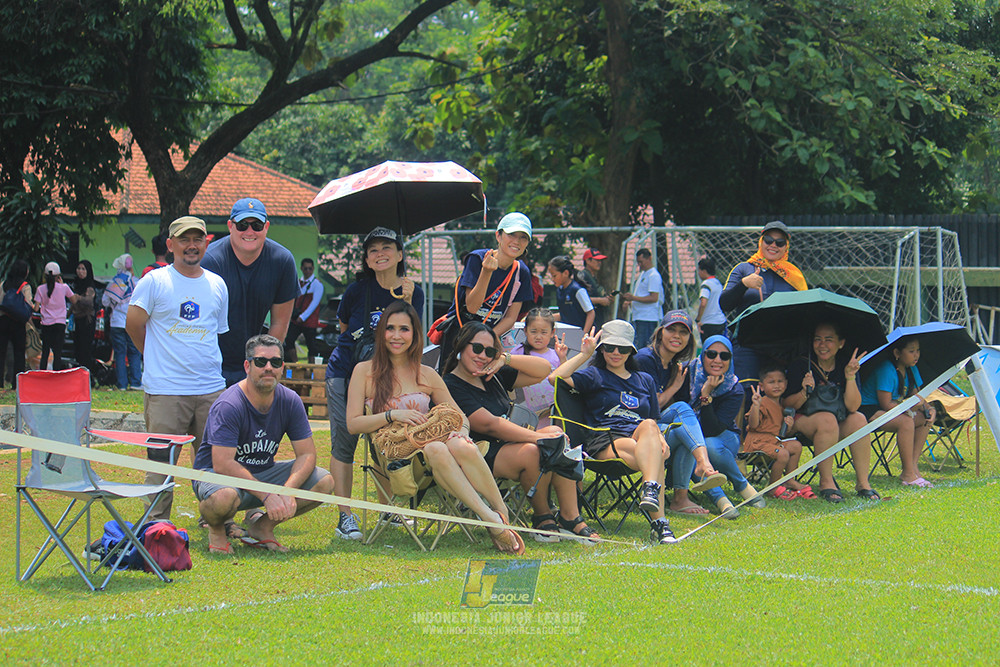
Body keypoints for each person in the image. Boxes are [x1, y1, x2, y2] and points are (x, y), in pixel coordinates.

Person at [346, 301, 524, 555]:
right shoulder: (364, 372)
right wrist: (391, 414)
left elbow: (460, 417)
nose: (397, 336)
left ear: (415, 335)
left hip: (434, 451)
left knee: (451, 444)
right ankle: (492, 519)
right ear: (381, 332)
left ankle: (499, 515)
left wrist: (460, 432)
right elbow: (353, 424)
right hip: (398, 458)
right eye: (391, 328)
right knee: (438, 448)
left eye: (404, 329)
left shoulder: (427, 373)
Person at [444, 320, 597, 543]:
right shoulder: (450, 384)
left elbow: (544, 370)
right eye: (476, 348)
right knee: (537, 448)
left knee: (555, 431)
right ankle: (542, 516)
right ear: (460, 346)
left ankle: (570, 516)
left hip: (509, 444)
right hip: (476, 452)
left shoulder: (493, 375)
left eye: (489, 351)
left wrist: (504, 359)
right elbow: (489, 424)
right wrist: (539, 436)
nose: (482, 356)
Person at [127, 216, 229, 522]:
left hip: (210, 389)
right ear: (170, 245)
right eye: (184, 239)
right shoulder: (154, 282)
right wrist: (154, 355)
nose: (191, 246)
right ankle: (156, 528)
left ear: (206, 243)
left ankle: (220, 520)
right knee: (161, 465)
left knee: (216, 463)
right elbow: (133, 325)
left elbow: (216, 331)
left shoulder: (217, 284)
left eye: (198, 239)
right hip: (165, 391)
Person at [194, 334, 334, 554]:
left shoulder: (290, 400)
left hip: (262, 472)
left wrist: (287, 491)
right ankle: (216, 528)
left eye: (275, 362)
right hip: (219, 477)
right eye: (261, 362)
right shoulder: (229, 405)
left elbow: (307, 455)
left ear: (282, 367)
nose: (268, 367)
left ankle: (262, 527)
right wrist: (267, 495)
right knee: (224, 497)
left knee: (324, 481)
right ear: (247, 366)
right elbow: (221, 464)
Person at [326, 227, 423, 541]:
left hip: (388, 375)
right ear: (366, 259)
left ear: (399, 254)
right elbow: (345, 328)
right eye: (372, 250)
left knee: (384, 439)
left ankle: (389, 509)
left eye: (387, 248)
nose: (380, 254)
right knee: (345, 441)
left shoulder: (413, 291)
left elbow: (413, 336)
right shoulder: (357, 290)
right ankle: (346, 516)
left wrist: (407, 301)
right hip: (346, 371)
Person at [548, 320, 678, 545]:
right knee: (654, 456)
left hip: (641, 437)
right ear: (601, 349)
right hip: (606, 440)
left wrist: (658, 437)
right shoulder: (595, 375)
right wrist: (584, 355)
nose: (616, 352)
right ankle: (660, 522)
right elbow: (555, 378)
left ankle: (650, 490)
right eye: (609, 347)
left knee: (648, 426)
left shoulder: (645, 380)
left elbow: (653, 420)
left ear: (631, 351)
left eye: (623, 348)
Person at [635, 310, 725, 515]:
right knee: (682, 410)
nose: (677, 336)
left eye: (683, 333)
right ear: (660, 333)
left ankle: (680, 500)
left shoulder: (675, 365)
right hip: (639, 429)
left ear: (689, 339)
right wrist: (675, 387)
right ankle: (703, 464)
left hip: (659, 427)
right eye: (671, 330)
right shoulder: (645, 358)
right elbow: (651, 407)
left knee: (684, 431)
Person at [202, 197, 298, 386]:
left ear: (267, 227)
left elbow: (280, 323)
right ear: (230, 226)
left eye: (257, 225)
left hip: (254, 365)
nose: (249, 231)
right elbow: (201, 323)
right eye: (242, 225)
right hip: (211, 365)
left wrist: (262, 365)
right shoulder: (210, 261)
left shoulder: (282, 261)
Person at [783, 323, 881, 503]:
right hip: (802, 420)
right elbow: (787, 404)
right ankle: (826, 481)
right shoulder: (801, 364)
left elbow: (853, 407)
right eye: (817, 340)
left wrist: (850, 376)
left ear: (841, 343)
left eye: (829, 340)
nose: (822, 345)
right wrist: (804, 391)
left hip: (837, 420)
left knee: (859, 419)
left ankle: (862, 483)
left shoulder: (846, 364)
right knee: (827, 420)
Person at [436, 212, 535, 369]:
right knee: (449, 384)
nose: (517, 241)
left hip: (489, 340)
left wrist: (490, 338)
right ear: (498, 236)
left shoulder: (521, 271)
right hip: (460, 334)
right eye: (511, 234)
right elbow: (472, 307)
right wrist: (486, 272)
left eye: (523, 237)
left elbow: (510, 317)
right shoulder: (477, 258)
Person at [680, 335, 764, 518]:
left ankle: (741, 484)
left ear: (730, 359)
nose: (717, 360)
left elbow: (713, 429)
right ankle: (721, 500)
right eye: (711, 354)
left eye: (724, 356)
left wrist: (705, 395)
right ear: (703, 356)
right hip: (691, 438)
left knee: (707, 446)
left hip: (724, 438)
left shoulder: (734, 388)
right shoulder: (689, 373)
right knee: (694, 450)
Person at [719, 221, 807, 383]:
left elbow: (804, 314)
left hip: (781, 348)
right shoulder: (744, 269)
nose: (773, 245)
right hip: (746, 344)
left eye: (780, 242)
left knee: (776, 397)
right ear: (761, 242)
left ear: (786, 247)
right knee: (747, 393)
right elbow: (724, 304)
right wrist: (744, 284)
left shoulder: (794, 276)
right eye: (768, 240)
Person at [859, 336, 936, 488]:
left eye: (918, 351)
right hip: (870, 409)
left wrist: (929, 408)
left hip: (895, 408)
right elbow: (886, 403)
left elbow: (917, 395)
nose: (916, 355)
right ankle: (907, 474)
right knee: (906, 422)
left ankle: (913, 466)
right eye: (911, 351)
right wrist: (909, 407)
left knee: (925, 418)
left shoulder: (912, 369)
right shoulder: (886, 369)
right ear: (897, 353)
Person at [743, 364, 814, 499]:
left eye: (780, 381)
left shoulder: (781, 405)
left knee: (796, 446)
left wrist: (789, 426)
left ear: (786, 384)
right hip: (757, 442)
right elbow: (753, 425)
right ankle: (773, 487)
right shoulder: (762, 402)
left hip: (773, 441)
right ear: (762, 386)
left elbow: (782, 435)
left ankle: (789, 479)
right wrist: (755, 407)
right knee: (783, 454)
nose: (776, 385)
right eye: (771, 382)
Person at [510, 307, 568, 428]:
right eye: (533, 331)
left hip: (554, 407)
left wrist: (562, 358)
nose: (538, 336)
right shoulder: (518, 352)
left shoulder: (556, 355)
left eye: (543, 332)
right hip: (530, 408)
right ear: (525, 331)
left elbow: (565, 379)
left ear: (552, 333)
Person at [102, 254, 141, 389]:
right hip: (132, 322)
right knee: (134, 352)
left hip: (117, 322)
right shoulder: (136, 282)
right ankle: (136, 382)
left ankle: (122, 384)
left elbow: (105, 301)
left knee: (119, 353)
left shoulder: (115, 283)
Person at [35, 261, 79, 372]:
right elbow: (74, 300)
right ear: (58, 276)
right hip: (60, 323)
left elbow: (36, 308)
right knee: (58, 352)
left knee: (45, 352)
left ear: (45, 275)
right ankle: (56, 375)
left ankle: (42, 374)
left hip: (46, 324)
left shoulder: (40, 289)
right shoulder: (64, 287)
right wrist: (63, 284)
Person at [284, 257, 325, 362]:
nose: (308, 271)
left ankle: (310, 370)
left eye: (310, 269)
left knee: (311, 345)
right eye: (305, 268)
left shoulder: (317, 284)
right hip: (296, 318)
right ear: (301, 268)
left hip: (309, 320)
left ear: (313, 269)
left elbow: (314, 304)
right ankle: (296, 364)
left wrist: (303, 317)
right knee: (289, 340)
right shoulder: (298, 282)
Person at [0, 259, 32, 388]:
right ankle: (17, 384)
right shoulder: (25, 286)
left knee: (1, 353)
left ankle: (0, 382)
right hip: (18, 323)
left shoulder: (3, 284)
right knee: (19, 353)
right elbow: (28, 305)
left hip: (3, 321)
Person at [622, 248, 662, 349]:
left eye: (641, 262)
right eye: (638, 262)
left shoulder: (654, 275)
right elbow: (641, 295)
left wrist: (633, 298)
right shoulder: (643, 274)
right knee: (638, 346)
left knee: (644, 347)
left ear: (649, 258)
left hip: (647, 318)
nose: (640, 265)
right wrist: (630, 302)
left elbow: (654, 298)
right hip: (639, 316)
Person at [547, 255, 595, 332]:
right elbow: (563, 314)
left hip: (580, 336)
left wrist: (583, 334)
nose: (552, 279)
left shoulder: (577, 290)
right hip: (567, 335)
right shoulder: (559, 290)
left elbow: (591, 313)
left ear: (565, 273)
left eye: (554, 276)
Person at [70, 260, 97, 374]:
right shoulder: (75, 284)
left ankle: (87, 376)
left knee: (86, 349)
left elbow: (89, 301)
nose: (80, 271)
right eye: (78, 268)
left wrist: (78, 298)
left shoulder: (90, 286)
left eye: (83, 269)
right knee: (78, 349)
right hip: (77, 321)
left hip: (87, 321)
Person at [580, 248, 612, 330]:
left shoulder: (593, 277)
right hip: (588, 321)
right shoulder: (583, 276)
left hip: (598, 319)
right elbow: (580, 299)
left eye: (600, 260)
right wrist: (600, 300)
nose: (599, 263)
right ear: (588, 261)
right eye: (597, 260)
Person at [695, 257, 726, 339]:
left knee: (708, 349)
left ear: (704, 271)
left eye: (699, 270)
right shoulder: (718, 283)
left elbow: (703, 303)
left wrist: (698, 319)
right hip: (720, 321)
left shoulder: (706, 284)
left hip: (709, 323)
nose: (698, 273)